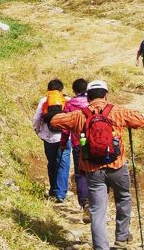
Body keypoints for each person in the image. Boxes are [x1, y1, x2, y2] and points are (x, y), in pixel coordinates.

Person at [49, 80, 144, 250]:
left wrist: (58, 104)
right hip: (117, 165)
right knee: (123, 198)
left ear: (88, 97)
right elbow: (141, 120)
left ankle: (101, 247)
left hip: (92, 170)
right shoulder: (116, 111)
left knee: (97, 210)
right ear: (105, 95)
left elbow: (55, 122)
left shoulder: (80, 115)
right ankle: (121, 239)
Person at [32, 79, 71, 203]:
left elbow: (37, 118)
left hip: (48, 137)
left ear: (48, 90)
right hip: (65, 137)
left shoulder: (44, 100)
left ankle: (53, 190)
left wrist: (37, 130)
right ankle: (61, 193)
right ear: (61, 90)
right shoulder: (67, 100)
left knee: (52, 163)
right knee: (63, 163)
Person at [61, 78, 90, 222]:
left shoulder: (70, 104)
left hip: (78, 143)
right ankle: (98, 203)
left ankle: (85, 202)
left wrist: (62, 142)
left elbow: (66, 126)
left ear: (74, 90)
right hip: (95, 142)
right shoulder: (93, 101)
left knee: (80, 174)